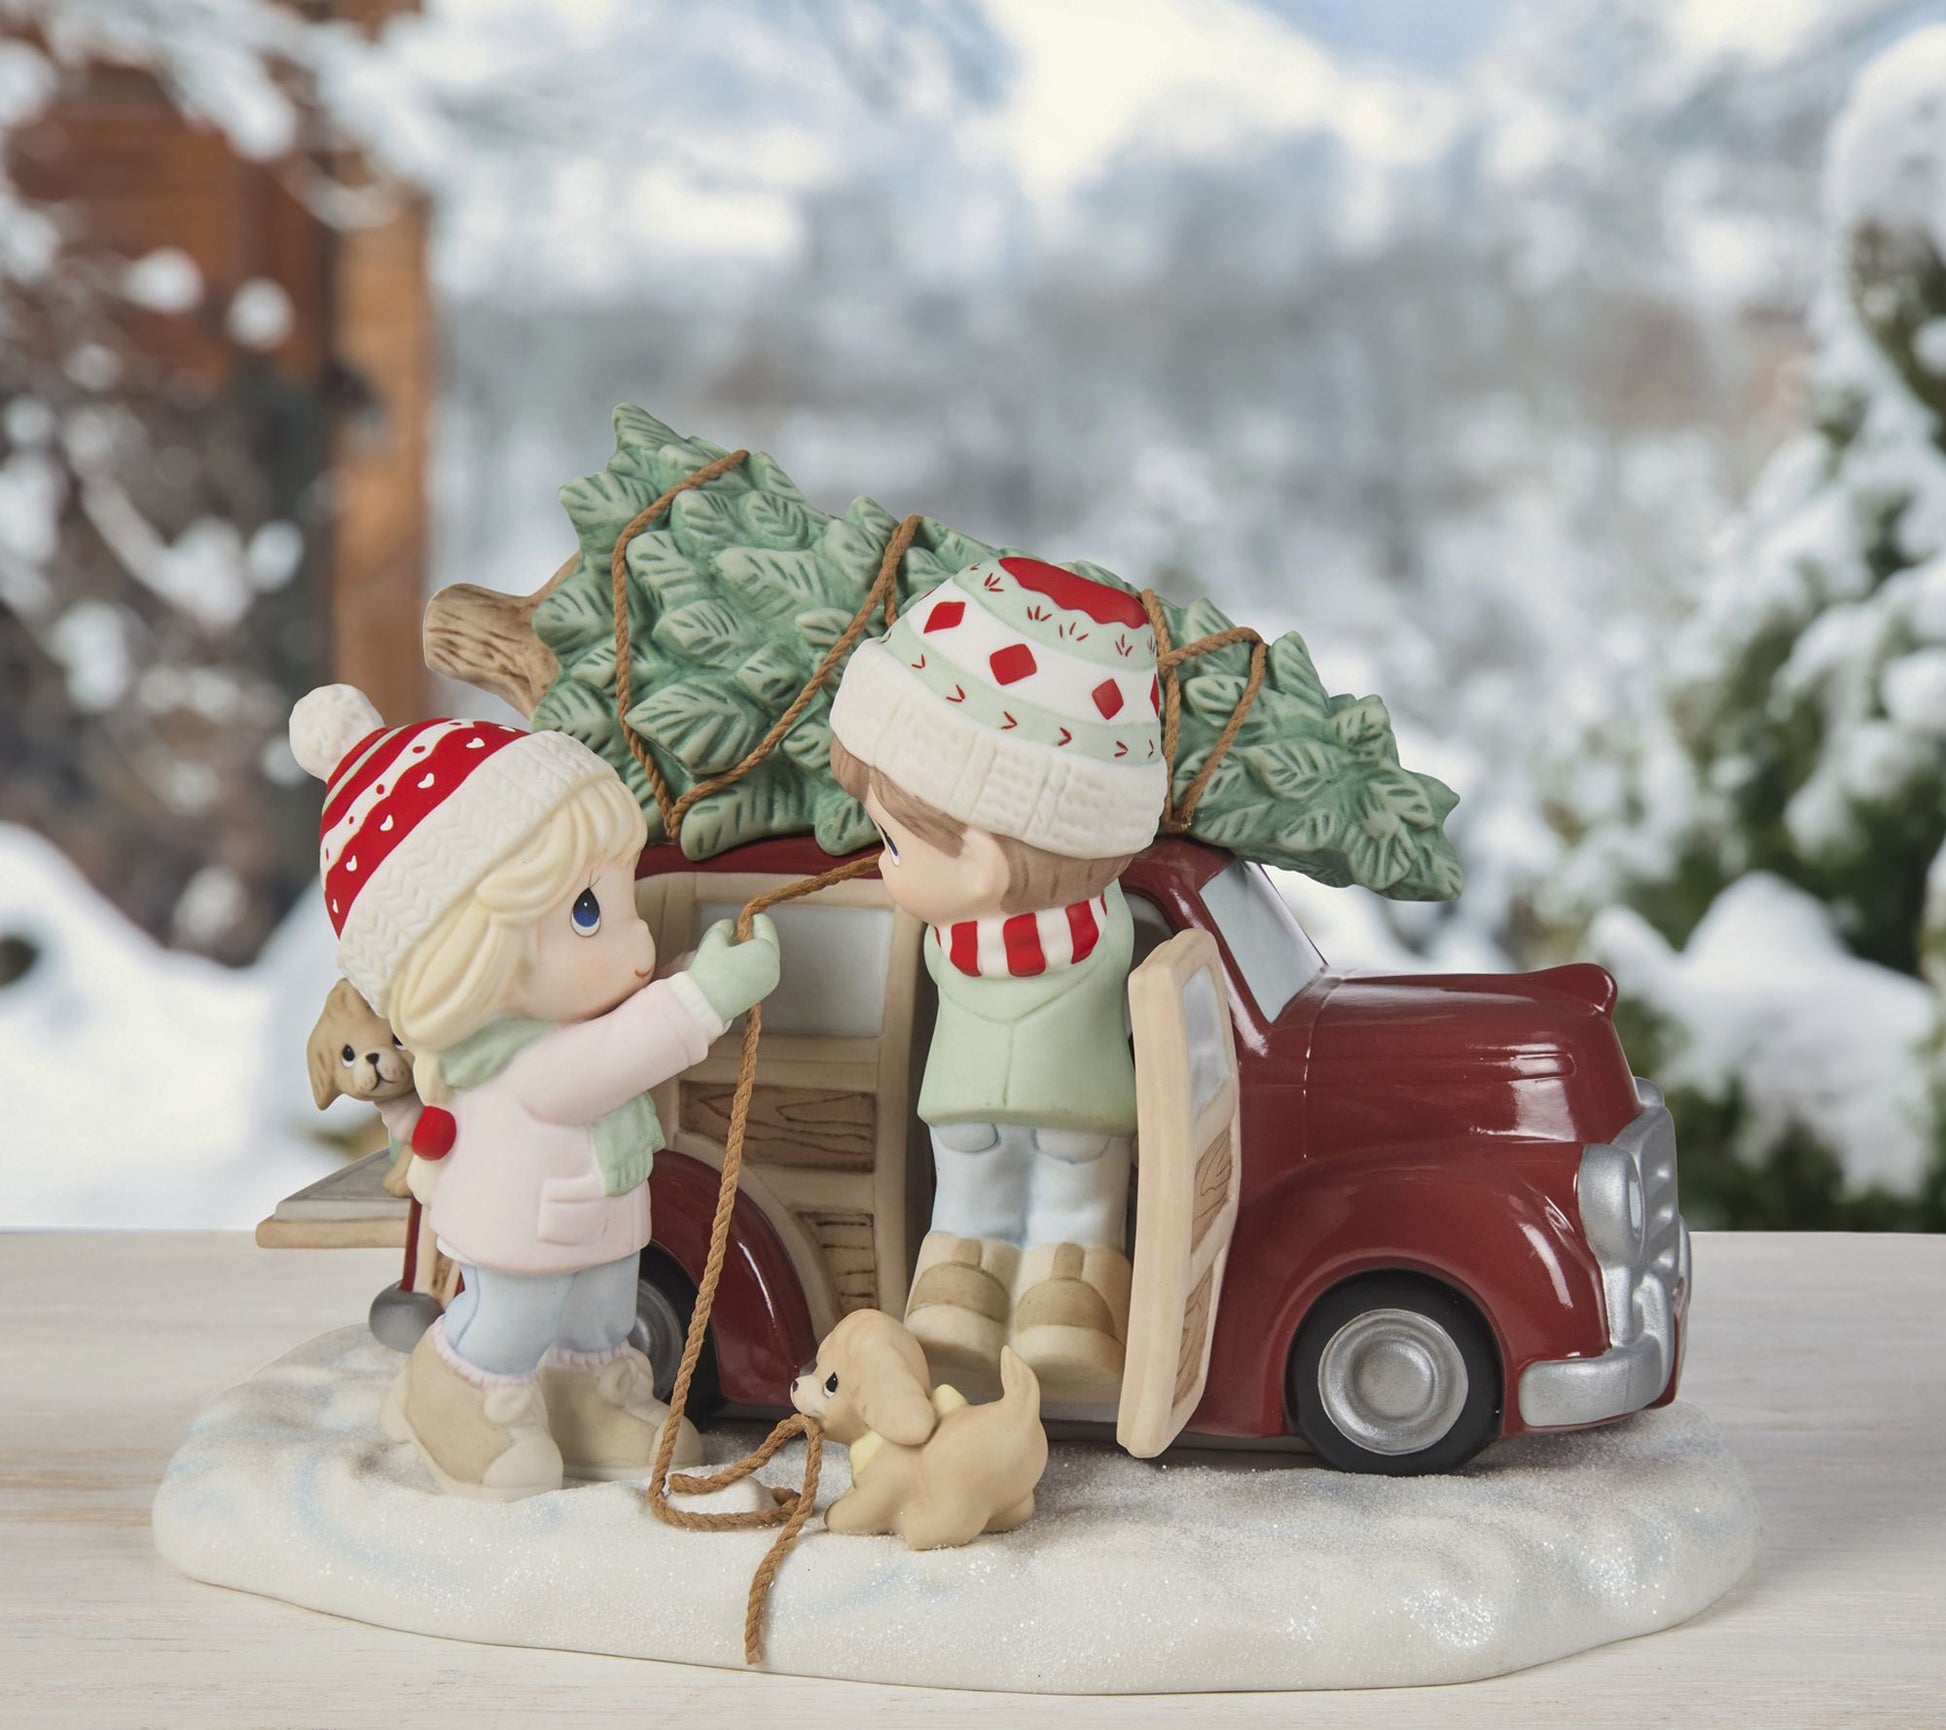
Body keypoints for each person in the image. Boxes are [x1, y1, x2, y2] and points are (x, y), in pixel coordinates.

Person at [288, 685, 780, 1498]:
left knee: (600, 1313)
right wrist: (705, 998)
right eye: (590, 910)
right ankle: (455, 1394)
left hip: (601, 1216)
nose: (636, 934)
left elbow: (621, 1035)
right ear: (473, 953)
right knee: (512, 1319)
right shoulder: (516, 1061)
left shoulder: (570, 1023)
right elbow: (611, 1059)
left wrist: (695, 976)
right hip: (525, 1226)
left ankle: (588, 1395)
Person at [828, 556, 1166, 1401]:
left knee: (1002, 1204)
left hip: (972, 1094)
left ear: (980, 863)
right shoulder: (1102, 923)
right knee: (1044, 1208)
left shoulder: (953, 936)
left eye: (896, 844)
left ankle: (1044, 1316)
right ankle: (990, 1312)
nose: (883, 865)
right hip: (1068, 1098)